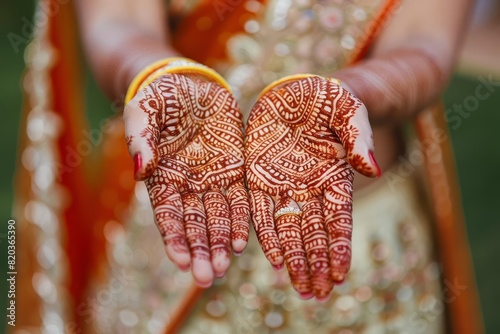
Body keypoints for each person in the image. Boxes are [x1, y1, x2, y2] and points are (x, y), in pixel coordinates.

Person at [13, 0, 483, 333]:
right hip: (179, 223)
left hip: (356, 250)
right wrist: (159, 76)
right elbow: (118, 19)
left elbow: (423, 43)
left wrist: (349, 95)